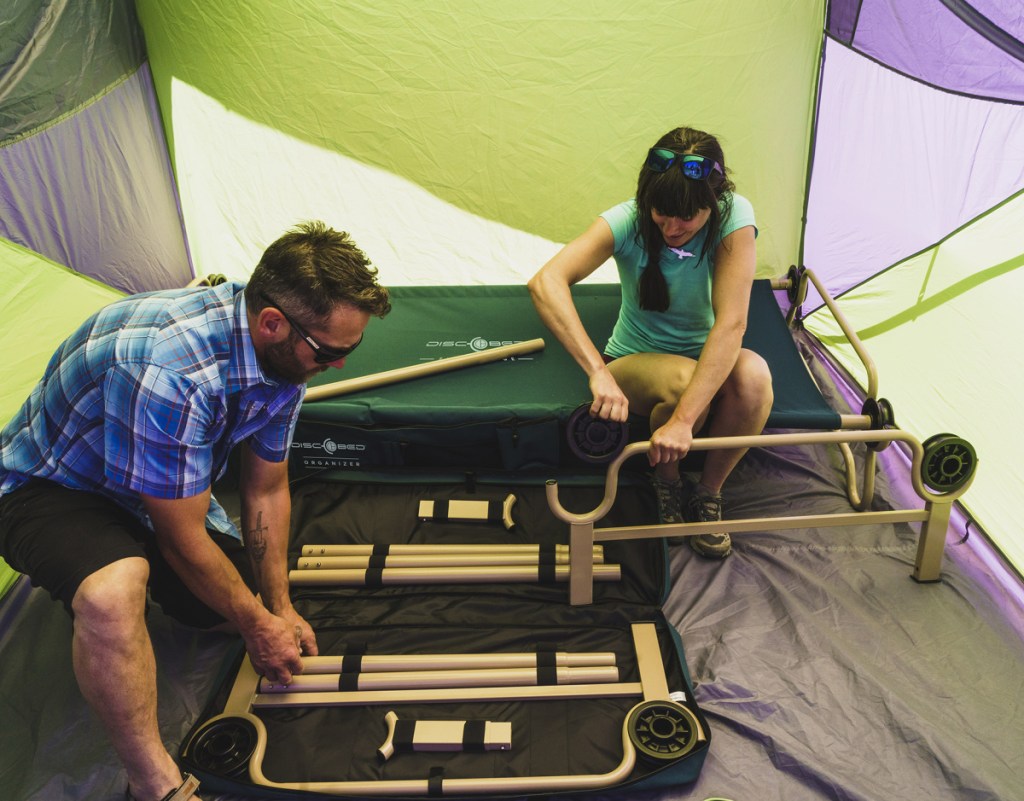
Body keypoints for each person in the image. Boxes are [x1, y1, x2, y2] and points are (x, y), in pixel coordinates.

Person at [0, 221, 391, 801]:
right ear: (272, 322)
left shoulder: (285, 355)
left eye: (350, 350)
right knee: (114, 590)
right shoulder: (170, 369)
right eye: (331, 352)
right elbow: (181, 538)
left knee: (223, 612)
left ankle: (121, 598)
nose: (337, 365)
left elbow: (266, 487)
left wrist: (275, 607)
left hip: (147, 491)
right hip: (50, 489)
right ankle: (153, 780)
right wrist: (259, 627)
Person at [529, 126, 773, 558]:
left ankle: (707, 494)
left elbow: (732, 324)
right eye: (662, 212)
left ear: (712, 204)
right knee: (683, 383)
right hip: (634, 361)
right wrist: (598, 374)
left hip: (702, 356)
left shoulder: (735, 216)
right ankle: (668, 484)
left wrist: (679, 421)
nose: (673, 226)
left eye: (688, 217)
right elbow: (546, 282)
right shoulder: (626, 218)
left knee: (754, 376)